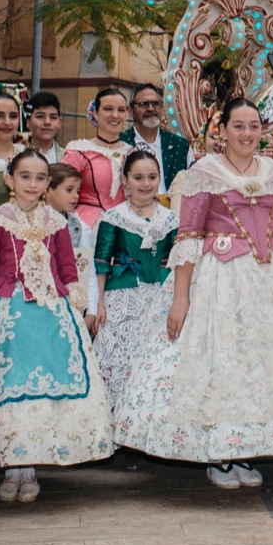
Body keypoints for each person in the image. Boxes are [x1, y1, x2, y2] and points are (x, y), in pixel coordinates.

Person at [113, 98, 273, 489]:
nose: (247, 134)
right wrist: (181, 298)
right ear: (222, 129)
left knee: (257, 367)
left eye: (254, 126)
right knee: (222, 360)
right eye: (239, 126)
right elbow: (189, 236)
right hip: (220, 279)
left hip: (271, 283)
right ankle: (218, 453)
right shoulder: (204, 172)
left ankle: (243, 449)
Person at [0, 150, 112, 503]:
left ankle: (29, 468)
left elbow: (67, 271)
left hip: (51, 316)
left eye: (40, 178)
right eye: (25, 177)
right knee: (10, 387)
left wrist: (76, 320)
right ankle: (10, 467)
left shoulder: (57, 222)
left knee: (47, 391)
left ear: (48, 183)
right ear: (9, 179)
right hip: (8, 316)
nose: (32, 184)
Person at [90, 150, 180, 409]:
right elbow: (101, 262)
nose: (146, 183)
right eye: (138, 177)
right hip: (122, 299)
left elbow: (178, 262)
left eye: (152, 177)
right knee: (121, 357)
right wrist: (99, 304)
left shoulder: (171, 219)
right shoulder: (114, 217)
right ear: (125, 180)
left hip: (160, 298)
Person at [45, 162, 102, 336]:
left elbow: (88, 269)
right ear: (47, 189)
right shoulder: (34, 223)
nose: (75, 196)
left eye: (77, 191)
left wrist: (91, 309)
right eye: (68, 190)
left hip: (72, 303)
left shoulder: (80, 227)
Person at [65, 87, 133, 230]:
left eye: (121, 110)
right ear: (95, 113)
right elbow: (62, 191)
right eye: (108, 109)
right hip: (86, 227)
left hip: (127, 227)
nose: (115, 115)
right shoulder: (79, 150)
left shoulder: (133, 153)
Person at [120, 82, 191, 191]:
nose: (151, 109)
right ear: (130, 111)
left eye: (155, 103)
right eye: (143, 104)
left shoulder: (181, 146)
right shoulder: (121, 143)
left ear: (161, 107)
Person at [24, 91, 64, 163]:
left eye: (53, 117)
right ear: (28, 122)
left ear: (60, 122)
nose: (47, 122)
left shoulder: (67, 157)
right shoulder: (18, 154)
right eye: (40, 116)